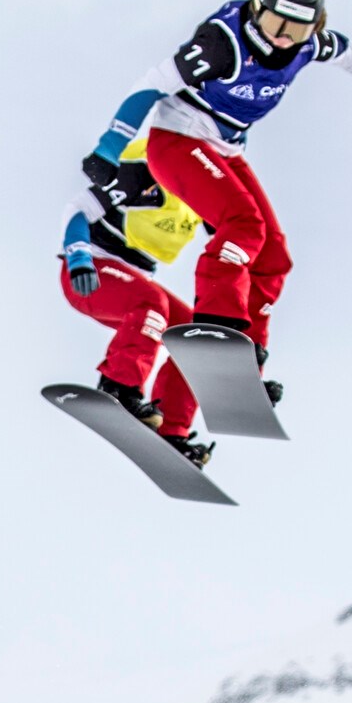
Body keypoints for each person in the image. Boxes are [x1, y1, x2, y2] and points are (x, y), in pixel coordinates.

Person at [78, 0, 352, 414]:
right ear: (257, 8)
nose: (282, 38)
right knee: (243, 224)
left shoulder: (310, 45)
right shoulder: (222, 44)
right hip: (178, 140)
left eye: (295, 30)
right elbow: (154, 83)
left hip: (223, 149)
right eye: (274, 24)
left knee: (273, 256)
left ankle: (192, 405)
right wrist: (110, 147)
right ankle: (218, 326)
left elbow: (351, 56)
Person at [61, 137, 225, 466]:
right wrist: (78, 257)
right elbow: (78, 210)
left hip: (134, 280)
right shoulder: (144, 174)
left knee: (197, 337)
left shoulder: (205, 193)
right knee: (152, 302)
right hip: (93, 271)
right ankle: (118, 387)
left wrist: (249, 374)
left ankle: (171, 430)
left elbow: (234, 242)